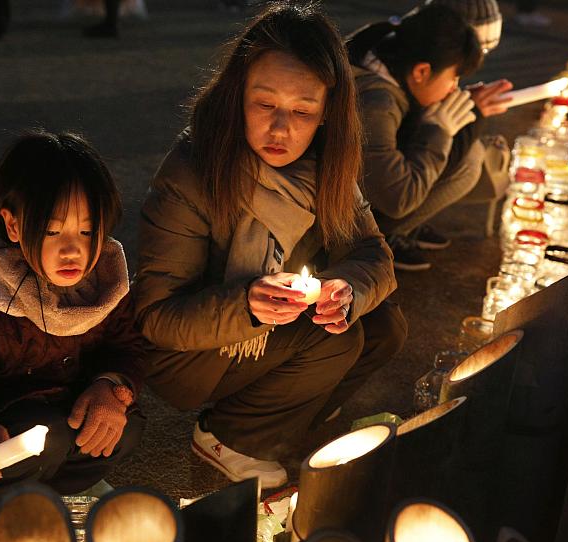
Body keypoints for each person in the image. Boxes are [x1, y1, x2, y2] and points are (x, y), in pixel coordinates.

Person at [135, 2, 406, 490]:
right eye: (264, 105)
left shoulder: (326, 165)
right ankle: (227, 438)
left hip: (267, 330)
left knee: (382, 323)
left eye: (303, 112)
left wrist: (347, 289)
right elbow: (157, 319)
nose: (281, 129)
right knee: (335, 338)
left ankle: (288, 424)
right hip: (187, 353)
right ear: (236, 95)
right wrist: (247, 304)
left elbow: (375, 255)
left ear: (327, 115)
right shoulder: (193, 173)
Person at [0, 131, 146, 512]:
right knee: (46, 437)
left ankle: (63, 490)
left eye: (87, 231)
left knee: (126, 427)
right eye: (53, 231)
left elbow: (126, 346)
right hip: (7, 428)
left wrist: (111, 386)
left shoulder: (105, 285)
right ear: (14, 225)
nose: (72, 248)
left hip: (71, 411)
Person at [348, 4, 512, 271]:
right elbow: (399, 199)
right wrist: (439, 132)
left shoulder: (380, 46)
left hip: (363, 194)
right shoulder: (377, 105)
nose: (453, 88)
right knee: (469, 160)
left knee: (464, 148)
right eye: (453, 77)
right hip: (337, 223)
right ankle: (371, 243)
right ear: (422, 71)